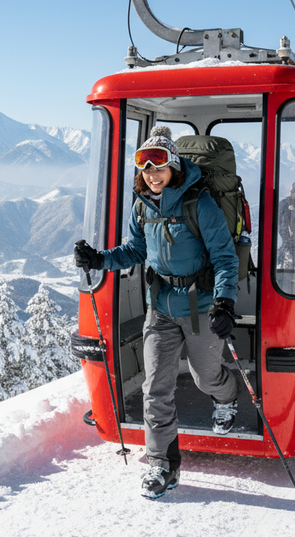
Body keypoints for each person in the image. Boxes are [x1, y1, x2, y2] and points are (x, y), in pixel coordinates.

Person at [74, 125, 239, 500]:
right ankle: (162, 465)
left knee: (205, 377)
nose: (151, 171)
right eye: (144, 164)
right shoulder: (142, 206)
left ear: (173, 165)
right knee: (155, 388)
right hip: (160, 309)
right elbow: (134, 250)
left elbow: (225, 257)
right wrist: (100, 259)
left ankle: (226, 397)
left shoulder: (200, 204)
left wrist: (224, 301)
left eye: (159, 162)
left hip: (199, 307)